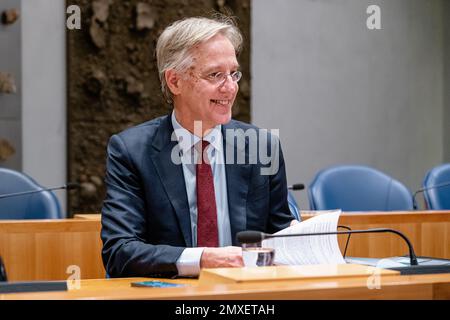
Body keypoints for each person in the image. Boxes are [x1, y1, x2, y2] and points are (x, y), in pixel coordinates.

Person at [101, 15, 295, 278]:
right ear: (175, 81)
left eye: (234, 73)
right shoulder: (131, 151)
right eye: (215, 75)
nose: (230, 88)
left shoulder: (261, 146)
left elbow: (281, 236)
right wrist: (203, 260)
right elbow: (120, 252)